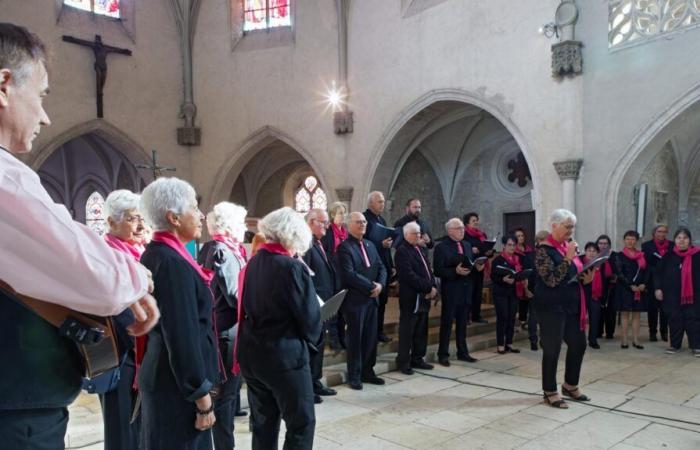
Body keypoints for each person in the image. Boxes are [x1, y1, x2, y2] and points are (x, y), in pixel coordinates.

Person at [0, 23, 158, 450]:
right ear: (4, 84)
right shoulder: (5, 179)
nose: (45, 114)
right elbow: (100, 278)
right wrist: (137, 280)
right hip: (15, 414)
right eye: (43, 94)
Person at [139, 177, 220, 450]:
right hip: (176, 388)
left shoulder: (158, 254)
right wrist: (201, 396)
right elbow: (182, 336)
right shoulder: (172, 264)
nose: (201, 215)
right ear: (173, 217)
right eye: (195, 209)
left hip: (166, 377)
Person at [237, 207, 321, 450]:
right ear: (293, 234)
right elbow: (309, 320)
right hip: (284, 357)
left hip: (253, 354)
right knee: (301, 423)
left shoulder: (253, 262)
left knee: (264, 424)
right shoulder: (291, 267)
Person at [198, 201, 248, 450]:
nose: (244, 228)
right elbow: (235, 296)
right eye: (240, 223)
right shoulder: (223, 252)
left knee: (227, 397)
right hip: (226, 335)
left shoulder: (215, 247)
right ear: (227, 227)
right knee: (225, 398)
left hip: (225, 331)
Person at [533, 209, 593, 409]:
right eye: (567, 226)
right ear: (554, 226)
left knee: (579, 344)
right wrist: (568, 258)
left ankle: (570, 384)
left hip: (572, 304)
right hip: (551, 307)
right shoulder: (544, 250)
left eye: (572, 226)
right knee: (552, 349)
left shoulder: (569, 247)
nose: (571, 230)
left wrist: (586, 279)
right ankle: (549, 390)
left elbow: (572, 276)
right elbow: (551, 280)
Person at [101, 190, 146, 450]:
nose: (140, 225)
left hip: (140, 353)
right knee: (122, 431)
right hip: (120, 355)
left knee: (139, 428)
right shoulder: (107, 255)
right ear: (111, 222)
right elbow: (114, 307)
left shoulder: (135, 252)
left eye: (141, 217)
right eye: (131, 219)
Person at [338, 212, 388, 390]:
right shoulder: (344, 248)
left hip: (372, 299)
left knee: (370, 338)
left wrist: (380, 286)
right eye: (358, 222)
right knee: (355, 339)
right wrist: (371, 287)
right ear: (348, 225)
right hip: (355, 301)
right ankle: (355, 375)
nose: (362, 225)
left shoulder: (371, 245)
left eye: (364, 222)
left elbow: (382, 267)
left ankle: (368, 371)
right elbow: (349, 275)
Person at [433, 218, 482, 366]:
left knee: (462, 323)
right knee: (447, 323)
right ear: (449, 231)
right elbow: (438, 270)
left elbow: (470, 264)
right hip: (451, 289)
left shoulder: (467, 245)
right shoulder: (441, 247)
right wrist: (455, 271)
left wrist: (476, 267)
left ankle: (463, 352)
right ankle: (443, 354)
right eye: (458, 228)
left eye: (462, 228)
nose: (462, 231)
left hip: (466, 288)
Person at [302, 208, 339, 402]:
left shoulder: (318, 242)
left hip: (323, 304)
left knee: (319, 346)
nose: (327, 225)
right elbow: (305, 278)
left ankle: (315, 382)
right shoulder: (306, 245)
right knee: (312, 349)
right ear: (311, 222)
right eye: (323, 222)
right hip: (314, 305)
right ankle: (309, 387)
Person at [394, 222, 437, 374]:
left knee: (421, 329)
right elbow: (408, 275)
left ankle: (418, 358)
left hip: (424, 296)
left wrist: (433, 286)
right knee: (408, 330)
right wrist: (428, 287)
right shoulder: (402, 251)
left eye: (419, 233)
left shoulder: (420, 249)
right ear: (406, 235)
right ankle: (403, 362)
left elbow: (428, 271)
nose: (418, 236)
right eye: (415, 233)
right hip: (411, 297)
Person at [655, 227, 700, 356]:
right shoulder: (668, 256)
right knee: (675, 319)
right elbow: (658, 273)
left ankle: (696, 346)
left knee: (694, 320)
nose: (682, 241)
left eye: (685, 238)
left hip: (694, 296)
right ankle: (675, 345)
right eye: (679, 238)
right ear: (674, 240)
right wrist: (658, 288)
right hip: (672, 295)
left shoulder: (697, 255)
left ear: (689, 240)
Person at [364, 191, 395, 343]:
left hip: (383, 264)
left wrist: (391, 265)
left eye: (383, 202)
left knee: (382, 301)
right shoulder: (365, 219)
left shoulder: (381, 219)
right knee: (372, 303)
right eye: (379, 202)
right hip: (371, 267)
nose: (382, 204)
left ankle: (379, 330)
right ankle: (370, 332)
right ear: (371, 203)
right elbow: (364, 243)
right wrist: (380, 244)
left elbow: (386, 245)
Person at [611, 230, 649, 350]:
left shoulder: (641, 255)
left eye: (632, 239)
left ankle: (636, 339)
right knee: (625, 314)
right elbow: (619, 273)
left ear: (636, 241)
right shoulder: (618, 255)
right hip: (624, 288)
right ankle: (624, 339)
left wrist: (643, 284)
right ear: (624, 240)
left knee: (636, 314)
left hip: (639, 288)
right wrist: (630, 285)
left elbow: (645, 271)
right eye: (627, 239)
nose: (630, 241)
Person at [322, 201, 348, 350]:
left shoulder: (344, 231)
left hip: (344, 274)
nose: (343, 216)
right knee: (334, 310)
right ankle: (333, 340)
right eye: (340, 213)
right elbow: (325, 254)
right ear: (332, 215)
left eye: (344, 213)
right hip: (332, 274)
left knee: (343, 309)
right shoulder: (329, 232)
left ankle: (342, 338)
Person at [490, 235, 523, 354]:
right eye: (509, 245)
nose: (512, 247)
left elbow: (519, 274)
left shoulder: (517, 259)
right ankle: (500, 344)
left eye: (514, 245)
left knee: (511, 318)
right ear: (504, 246)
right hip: (500, 292)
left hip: (513, 292)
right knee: (503, 317)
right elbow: (493, 277)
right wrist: (503, 279)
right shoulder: (497, 260)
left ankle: (509, 343)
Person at [642, 224, 671, 342]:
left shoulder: (672, 245)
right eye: (659, 231)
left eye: (664, 232)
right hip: (652, 281)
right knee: (652, 309)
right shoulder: (646, 246)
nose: (662, 234)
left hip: (668, 281)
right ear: (654, 233)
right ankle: (652, 332)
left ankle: (664, 332)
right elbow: (647, 264)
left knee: (665, 309)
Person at [463, 212, 493, 324]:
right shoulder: (464, 235)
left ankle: (476, 315)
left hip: (480, 266)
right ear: (467, 223)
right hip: (469, 267)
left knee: (477, 293)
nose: (476, 222)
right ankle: (465, 317)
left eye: (477, 220)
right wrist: (471, 250)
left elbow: (485, 251)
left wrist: (489, 252)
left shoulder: (482, 234)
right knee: (468, 293)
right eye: (473, 220)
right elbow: (463, 250)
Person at [580, 242, 607, 349]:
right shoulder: (580, 262)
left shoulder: (601, 263)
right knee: (580, 318)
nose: (591, 253)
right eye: (589, 250)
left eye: (594, 251)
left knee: (595, 319)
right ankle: (579, 339)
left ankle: (593, 340)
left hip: (596, 295)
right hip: (582, 295)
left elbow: (605, 279)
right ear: (585, 251)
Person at [528, 230, 550, 351]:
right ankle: (533, 340)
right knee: (534, 316)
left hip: (547, 290)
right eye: (542, 240)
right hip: (535, 289)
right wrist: (528, 289)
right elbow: (528, 274)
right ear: (538, 241)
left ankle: (543, 340)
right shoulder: (531, 255)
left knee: (545, 317)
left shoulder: (550, 254)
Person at [514, 227, 536, 329]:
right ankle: (520, 321)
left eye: (522, 235)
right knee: (521, 300)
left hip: (531, 277)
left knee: (529, 300)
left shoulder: (529, 249)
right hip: (520, 278)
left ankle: (527, 320)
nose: (521, 237)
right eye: (518, 236)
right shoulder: (514, 251)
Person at [597, 234, 617, 339]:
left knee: (610, 311)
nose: (603, 246)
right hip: (598, 287)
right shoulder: (595, 255)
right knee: (598, 311)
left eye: (605, 243)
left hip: (611, 287)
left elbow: (617, 270)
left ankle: (610, 333)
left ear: (609, 245)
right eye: (600, 243)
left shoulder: (613, 255)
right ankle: (598, 332)